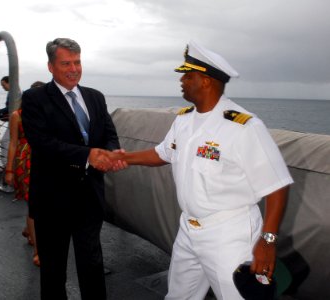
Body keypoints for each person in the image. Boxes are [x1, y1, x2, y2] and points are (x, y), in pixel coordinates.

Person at [111, 40, 294, 299]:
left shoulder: (243, 127)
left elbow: (277, 185)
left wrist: (268, 241)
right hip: (189, 228)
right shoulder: (185, 119)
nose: (182, 80)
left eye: (188, 75)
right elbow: (163, 153)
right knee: (178, 296)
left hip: (229, 233)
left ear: (206, 81)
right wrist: (123, 158)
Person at [21, 38, 121, 300]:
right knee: (53, 272)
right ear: (51, 66)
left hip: (89, 197)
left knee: (92, 265)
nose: (74, 68)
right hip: (52, 201)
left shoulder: (95, 97)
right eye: (66, 63)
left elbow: (109, 134)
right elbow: (42, 143)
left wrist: (111, 154)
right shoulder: (34, 98)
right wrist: (89, 155)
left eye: (77, 62)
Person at [5, 80, 45, 267]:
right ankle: (38, 250)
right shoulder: (17, 116)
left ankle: (28, 230)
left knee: (37, 203)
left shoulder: (47, 115)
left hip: (45, 159)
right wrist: (9, 170)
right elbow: (13, 142)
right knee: (35, 204)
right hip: (25, 162)